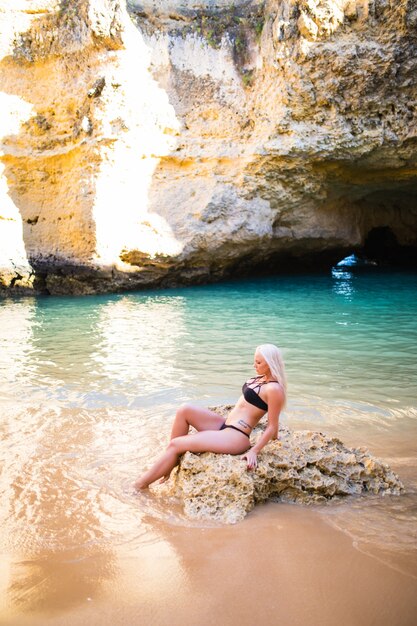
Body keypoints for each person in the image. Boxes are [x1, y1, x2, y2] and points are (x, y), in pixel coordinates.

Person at [134, 343, 286, 490]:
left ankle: (140, 485)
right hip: (224, 425)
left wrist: (255, 450)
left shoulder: (274, 389)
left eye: (258, 362)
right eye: (254, 361)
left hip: (236, 436)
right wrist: (275, 438)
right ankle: (170, 459)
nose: (254, 365)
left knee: (176, 444)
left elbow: (272, 425)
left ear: (270, 363)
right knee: (184, 410)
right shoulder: (260, 378)